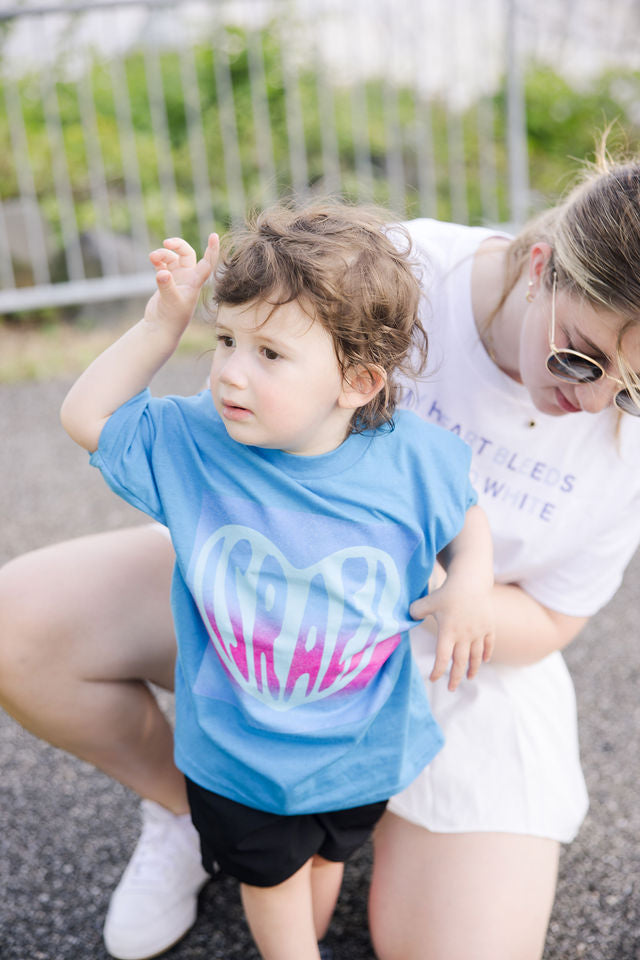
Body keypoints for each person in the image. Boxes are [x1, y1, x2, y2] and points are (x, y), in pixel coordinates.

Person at [2, 148, 640, 960]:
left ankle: (320, 819)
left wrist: (450, 593)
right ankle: (198, 813)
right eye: (579, 356)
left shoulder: (448, 455)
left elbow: (541, 602)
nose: (588, 401)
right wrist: (168, 325)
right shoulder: (378, 276)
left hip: (461, 649)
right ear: (541, 268)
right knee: (19, 626)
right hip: (259, 591)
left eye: (628, 389)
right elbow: (187, 422)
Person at [57, 200, 494, 960]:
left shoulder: (414, 458)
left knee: (325, 858)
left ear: (357, 382)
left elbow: (464, 517)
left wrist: (470, 586)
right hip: (241, 757)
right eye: (225, 340)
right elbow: (87, 413)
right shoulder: (197, 442)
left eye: (269, 354)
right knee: (274, 890)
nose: (228, 370)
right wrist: (164, 323)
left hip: (364, 745)